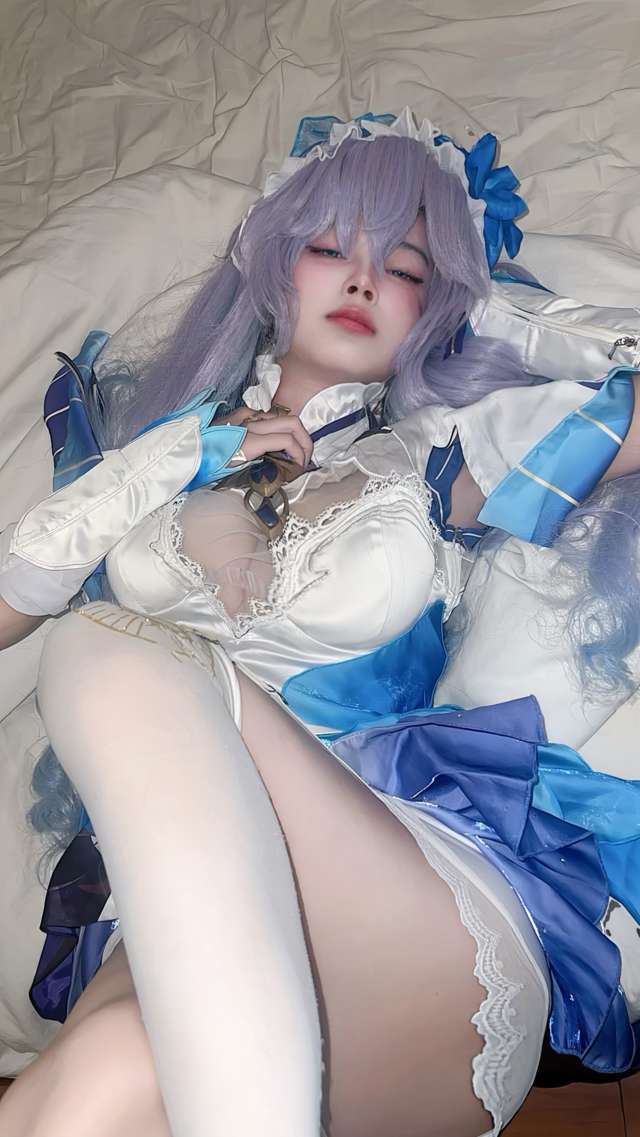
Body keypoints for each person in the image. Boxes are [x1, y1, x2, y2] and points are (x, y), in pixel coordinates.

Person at [1, 109, 640, 1137]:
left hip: (402, 914)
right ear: (271, 266)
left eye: (405, 267)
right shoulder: (158, 465)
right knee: (84, 1090)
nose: (362, 280)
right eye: (331, 246)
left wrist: (502, 318)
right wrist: (161, 465)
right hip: (184, 922)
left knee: (100, 644)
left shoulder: (438, 456)